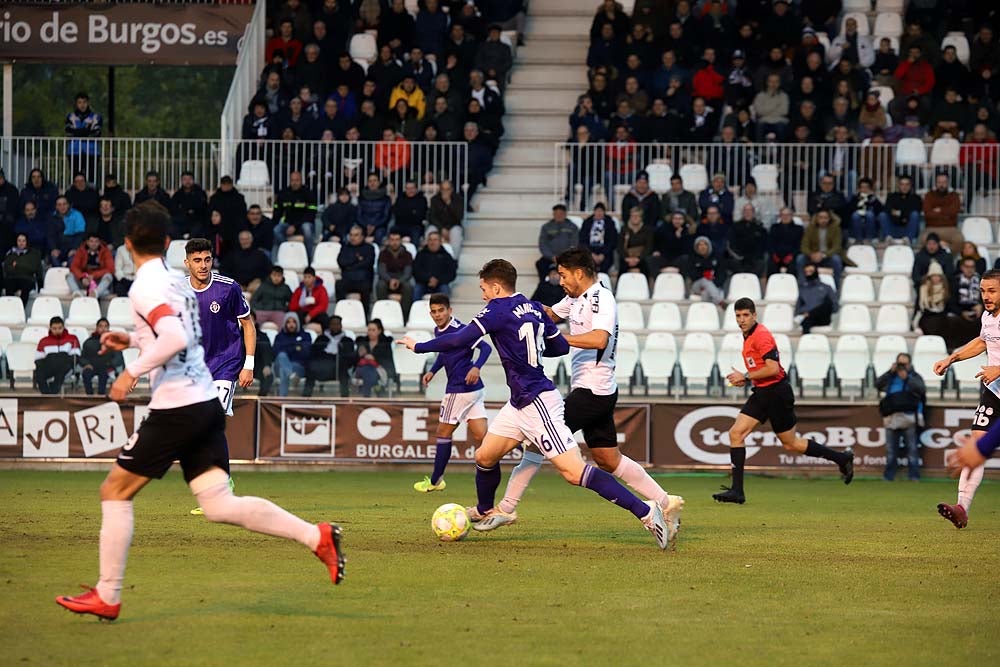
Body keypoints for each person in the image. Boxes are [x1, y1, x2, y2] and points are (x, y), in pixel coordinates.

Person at [56, 204, 344, 622]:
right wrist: (135, 342)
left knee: (114, 492)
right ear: (170, 245)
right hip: (204, 401)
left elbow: (172, 336)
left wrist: (132, 371)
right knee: (218, 504)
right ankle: (315, 536)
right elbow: (184, 336)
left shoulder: (146, 287)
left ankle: (108, 594)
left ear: (127, 244)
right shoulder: (176, 283)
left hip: (178, 406)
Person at [398, 259, 671, 549]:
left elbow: (460, 340)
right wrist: (532, 350)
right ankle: (486, 509)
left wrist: (420, 347)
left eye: (483, 289)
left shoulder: (496, 310)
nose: (482, 295)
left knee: (573, 472)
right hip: (518, 402)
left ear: (495, 286)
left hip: (538, 402)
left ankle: (646, 512)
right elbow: (560, 347)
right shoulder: (534, 308)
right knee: (485, 456)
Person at [478, 248, 684, 534]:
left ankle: (505, 509)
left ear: (579, 273)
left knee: (539, 444)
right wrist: (518, 310)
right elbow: (547, 313)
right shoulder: (575, 299)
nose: (560, 281)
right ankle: (666, 501)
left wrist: (559, 339)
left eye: (563, 275)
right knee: (608, 459)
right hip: (597, 391)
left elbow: (600, 339)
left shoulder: (601, 298)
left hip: (592, 389)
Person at [715, 298, 854, 504]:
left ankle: (841, 458)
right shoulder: (748, 335)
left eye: (745, 315)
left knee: (791, 444)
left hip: (777, 393)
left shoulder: (761, 336)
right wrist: (748, 378)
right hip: (762, 392)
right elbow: (762, 369)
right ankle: (737, 491)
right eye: (738, 316)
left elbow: (772, 368)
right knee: (736, 433)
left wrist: (745, 376)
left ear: (754, 315)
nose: (742, 320)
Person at [931, 269, 1000, 528]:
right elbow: (983, 342)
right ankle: (962, 507)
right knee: (977, 444)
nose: (986, 296)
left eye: (992, 290)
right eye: (983, 291)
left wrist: (998, 369)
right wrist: (951, 358)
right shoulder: (988, 316)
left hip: (996, 379)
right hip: (995, 393)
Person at [413, 294, 493, 493]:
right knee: (482, 436)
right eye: (434, 311)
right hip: (475, 391)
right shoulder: (439, 330)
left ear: (450, 311)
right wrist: (433, 370)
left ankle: (435, 480)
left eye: (441, 310)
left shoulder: (461, 330)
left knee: (442, 433)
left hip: (460, 389)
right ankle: (518, 445)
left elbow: (485, 347)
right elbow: (444, 353)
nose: (438, 315)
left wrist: (477, 367)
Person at [876, 353, 926, 482]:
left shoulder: (914, 376)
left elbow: (921, 389)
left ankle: (914, 476)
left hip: (909, 416)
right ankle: (888, 476)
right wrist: (889, 371)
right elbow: (877, 384)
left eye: (904, 364)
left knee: (912, 449)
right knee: (891, 450)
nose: (902, 366)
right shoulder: (891, 376)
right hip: (892, 415)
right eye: (900, 363)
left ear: (910, 364)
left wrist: (907, 378)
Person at [303, 315, 356, 398]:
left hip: (338, 368)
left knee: (343, 369)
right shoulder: (321, 339)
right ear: (329, 325)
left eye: (337, 324)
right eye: (333, 324)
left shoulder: (347, 340)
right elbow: (314, 354)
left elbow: (350, 357)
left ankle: (344, 399)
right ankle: (305, 398)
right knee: (311, 369)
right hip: (322, 366)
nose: (335, 326)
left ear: (341, 326)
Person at [273, 171, 318, 256]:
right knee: (276, 230)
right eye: (292, 180)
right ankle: (288, 251)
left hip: (304, 223)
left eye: (297, 180)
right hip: (288, 224)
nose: (295, 183)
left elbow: (311, 214)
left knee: (307, 229)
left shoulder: (308, 193)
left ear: (301, 181)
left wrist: (295, 226)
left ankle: (308, 258)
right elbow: (277, 212)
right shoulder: (283, 193)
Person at [33, 316, 80, 395]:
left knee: (61, 370)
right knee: (39, 374)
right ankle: (46, 395)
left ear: (63, 327)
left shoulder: (72, 339)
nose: (57, 331)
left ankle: (53, 393)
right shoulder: (44, 341)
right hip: (50, 366)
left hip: (65, 367)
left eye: (60, 328)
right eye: (54, 328)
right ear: (50, 328)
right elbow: (38, 359)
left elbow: (76, 356)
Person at [797, 209, 845, 286]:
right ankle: (802, 286)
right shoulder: (810, 228)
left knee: (836, 260)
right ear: (816, 218)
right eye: (821, 217)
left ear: (829, 219)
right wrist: (811, 254)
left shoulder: (835, 229)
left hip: (828, 256)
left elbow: (837, 247)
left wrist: (823, 255)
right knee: (800, 259)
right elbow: (804, 246)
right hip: (812, 256)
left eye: (825, 218)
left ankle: (836, 287)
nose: (823, 220)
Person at [336, 226, 376, 312]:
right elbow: (341, 262)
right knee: (339, 284)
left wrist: (349, 266)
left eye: (356, 235)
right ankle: (340, 313)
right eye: (351, 235)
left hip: (362, 280)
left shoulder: (369, 248)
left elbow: (367, 264)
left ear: (362, 236)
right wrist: (357, 259)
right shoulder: (345, 247)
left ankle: (365, 315)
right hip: (348, 280)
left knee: (366, 287)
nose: (353, 238)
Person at [65, 92, 102, 184]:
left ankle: (91, 196)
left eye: (84, 102)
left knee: (91, 177)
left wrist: (77, 132)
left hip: (92, 151)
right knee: (75, 177)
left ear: (88, 103)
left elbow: (97, 133)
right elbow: (68, 132)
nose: (82, 105)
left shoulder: (96, 117)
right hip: (74, 151)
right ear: (76, 104)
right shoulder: (70, 116)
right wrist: (86, 131)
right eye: (79, 102)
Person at [80, 318, 122, 396]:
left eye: (105, 326)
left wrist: (110, 364)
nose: (103, 329)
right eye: (101, 326)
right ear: (96, 328)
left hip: (106, 366)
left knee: (103, 373)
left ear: (108, 328)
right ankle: (89, 396)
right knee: (86, 374)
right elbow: (82, 357)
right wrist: (86, 364)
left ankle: (101, 395)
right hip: (92, 366)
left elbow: (118, 358)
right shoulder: (89, 342)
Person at [375, 230, 414, 315]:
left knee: (408, 287)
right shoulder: (383, 254)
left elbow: (408, 272)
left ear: (400, 241)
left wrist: (399, 281)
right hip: (387, 279)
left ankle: (404, 315)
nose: (394, 242)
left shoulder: (407, 255)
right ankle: (383, 313)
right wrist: (390, 280)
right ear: (388, 241)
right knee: (380, 285)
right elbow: (382, 271)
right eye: (392, 240)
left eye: (397, 240)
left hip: (402, 279)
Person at [353, 319, 395, 397]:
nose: (370, 332)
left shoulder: (385, 344)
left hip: (379, 369)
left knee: (369, 372)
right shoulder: (363, 342)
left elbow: (388, 361)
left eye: (373, 330)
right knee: (367, 370)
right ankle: (375, 391)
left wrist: (374, 358)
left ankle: (366, 395)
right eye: (369, 330)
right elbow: (354, 361)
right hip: (362, 369)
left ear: (379, 331)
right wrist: (359, 354)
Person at [535, 203, 578, 279]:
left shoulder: (572, 227)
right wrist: (552, 257)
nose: (558, 216)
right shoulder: (546, 227)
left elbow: (574, 243)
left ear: (565, 214)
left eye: (560, 214)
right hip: (550, 258)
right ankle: (544, 285)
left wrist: (564, 256)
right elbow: (543, 244)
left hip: (567, 257)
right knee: (540, 264)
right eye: (556, 214)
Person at [921, 173, 962, 249]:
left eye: (944, 182)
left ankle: (948, 259)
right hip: (931, 228)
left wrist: (939, 210)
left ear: (948, 183)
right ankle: (933, 260)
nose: (941, 185)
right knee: (924, 239)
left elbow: (954, 212)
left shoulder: (954, 196)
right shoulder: (929, 195)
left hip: (950, 228)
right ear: (936, 183)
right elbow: (928, 214)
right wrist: (946, 214)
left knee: (959, 240)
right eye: (939, 182)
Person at [413, 231, 457, 300]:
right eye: (430, 240)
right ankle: (414, 310)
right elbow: (416, 271)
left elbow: (451, 273)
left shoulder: (447, 256)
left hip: (441, 284)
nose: (432, 242)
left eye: (435, 240)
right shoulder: (420, 255)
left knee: (445, 289)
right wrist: (428, 279)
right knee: (416, 289)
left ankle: (444, 310)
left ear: (440, 242)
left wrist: (437, 280)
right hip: (423, 283)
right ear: (427, 241)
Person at [795, 263, 838, 333]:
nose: (809, 274)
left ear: (816, 272)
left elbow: (834, 306)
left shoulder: (827, 287)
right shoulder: (803, 290)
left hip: (823, 317)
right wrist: (803, 313)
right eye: (806, 272)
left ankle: (810, 314)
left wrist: (814, 312)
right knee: (806, 321)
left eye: (811, 271)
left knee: (827, 302)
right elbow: (798, 309)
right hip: (808, 318)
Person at [68, 233, 114, 298]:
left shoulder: (105, 251)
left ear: (99, 242)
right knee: (69, 276)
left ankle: (95, 293)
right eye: (91, 241)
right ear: (87, 242)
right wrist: (82, 278)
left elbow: (110, 269)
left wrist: (94, 275)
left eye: (96, 241)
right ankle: (77, 293)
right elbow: (74, 267)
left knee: (108, 276)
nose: (94, 244)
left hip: (98, 281)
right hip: (84, 280)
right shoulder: (81, 251)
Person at [2, 233, 43, 306]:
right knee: (8, 286)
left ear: (27, 242)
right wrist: (22, 266)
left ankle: (21, 309)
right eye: (19, 241)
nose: (21, 243)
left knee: (26, 287)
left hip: (27, 278)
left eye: (23, 241)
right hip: (12, 278)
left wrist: (17, 265)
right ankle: (10, 308)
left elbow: (32, 268)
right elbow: (7, 268)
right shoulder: (10, 253)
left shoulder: (33, 254)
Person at [427, 180, 464, 256]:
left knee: (456, 233)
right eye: (443, 189)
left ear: (452, 189)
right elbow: (432, 217)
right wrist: (441, 229)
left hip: (453, 226)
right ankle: (429, 256)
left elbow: (459, 217)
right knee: (430, 230)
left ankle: (453, 259)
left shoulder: (458, 199)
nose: (445, 191)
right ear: (440, 190)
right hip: (438, 226)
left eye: (448, 189)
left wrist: (448, 203)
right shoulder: (434, 199)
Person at [578, 203, 617, 274]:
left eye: (601, 211)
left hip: (605, 251)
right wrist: (591, 254)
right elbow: (582, 240)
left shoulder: (610, 223)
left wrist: (603, 254)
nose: (599, 213)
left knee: (605, 265)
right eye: (597, 211)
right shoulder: (587, 223)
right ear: (594, 212)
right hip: (590, 251)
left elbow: (612, 240)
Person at [169, 171, 209, 241]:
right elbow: (173, 210)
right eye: (185, 179)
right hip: (182, 221)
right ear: (181, 181)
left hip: (196, 221)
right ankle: (182, 242)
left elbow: (202, 208)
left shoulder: (200, 193)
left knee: (199, 227)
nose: (187, 181)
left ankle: (190, 242)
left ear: (193, 180)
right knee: (171, 227)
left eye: (189, 179)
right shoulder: (178, 194)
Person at [290, 267, 331, 333]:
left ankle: (325, 337)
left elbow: (323, 306)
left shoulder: (321, 289)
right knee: (295, 317)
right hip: (303, 313)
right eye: (305, 277)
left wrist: (310, 315)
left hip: (316, 314)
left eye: (309, 277)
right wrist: (301, 304)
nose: (307, 280)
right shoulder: (299, 290)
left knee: (325, 318)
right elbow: (292, 307)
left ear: (314, 278)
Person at [881, 175, 921, 242]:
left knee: (915, 214)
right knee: (882, 215)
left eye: (907, 184)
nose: (904, 187)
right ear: (898, 185)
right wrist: (904, 215)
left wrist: (898, 213)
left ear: (910, 186)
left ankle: (908, 239)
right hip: (893, 228)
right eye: (902, 184)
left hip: (908, 229)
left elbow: (915, 213)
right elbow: (887, 210)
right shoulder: (891, 196)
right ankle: (889, 238)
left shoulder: (916, 198)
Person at [767, 208, 803, 275]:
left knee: (793, 267)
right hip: (776, 256)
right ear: (780, 216)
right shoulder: (774, 228)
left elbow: (799, 245)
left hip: (792, 256)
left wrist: (791, 256)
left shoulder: (798, 229)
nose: (785, 217)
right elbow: (770, 244)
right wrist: (775, 256)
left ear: (792, 216)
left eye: (788, 215)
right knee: (771, 266)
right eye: (783, 215)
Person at [847, 177, 884, 243]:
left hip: (871, 223)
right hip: (857, 222)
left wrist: (869, 201)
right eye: (862, 187)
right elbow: (849, 210)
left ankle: (870, 238)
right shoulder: (855, 198)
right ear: (859, 188)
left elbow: (879, 210)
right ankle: (859, 239)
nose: (864, 189)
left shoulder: (874, 199)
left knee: (870, 214)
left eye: (866, 187)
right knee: (855, 215)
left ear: (870, 188)